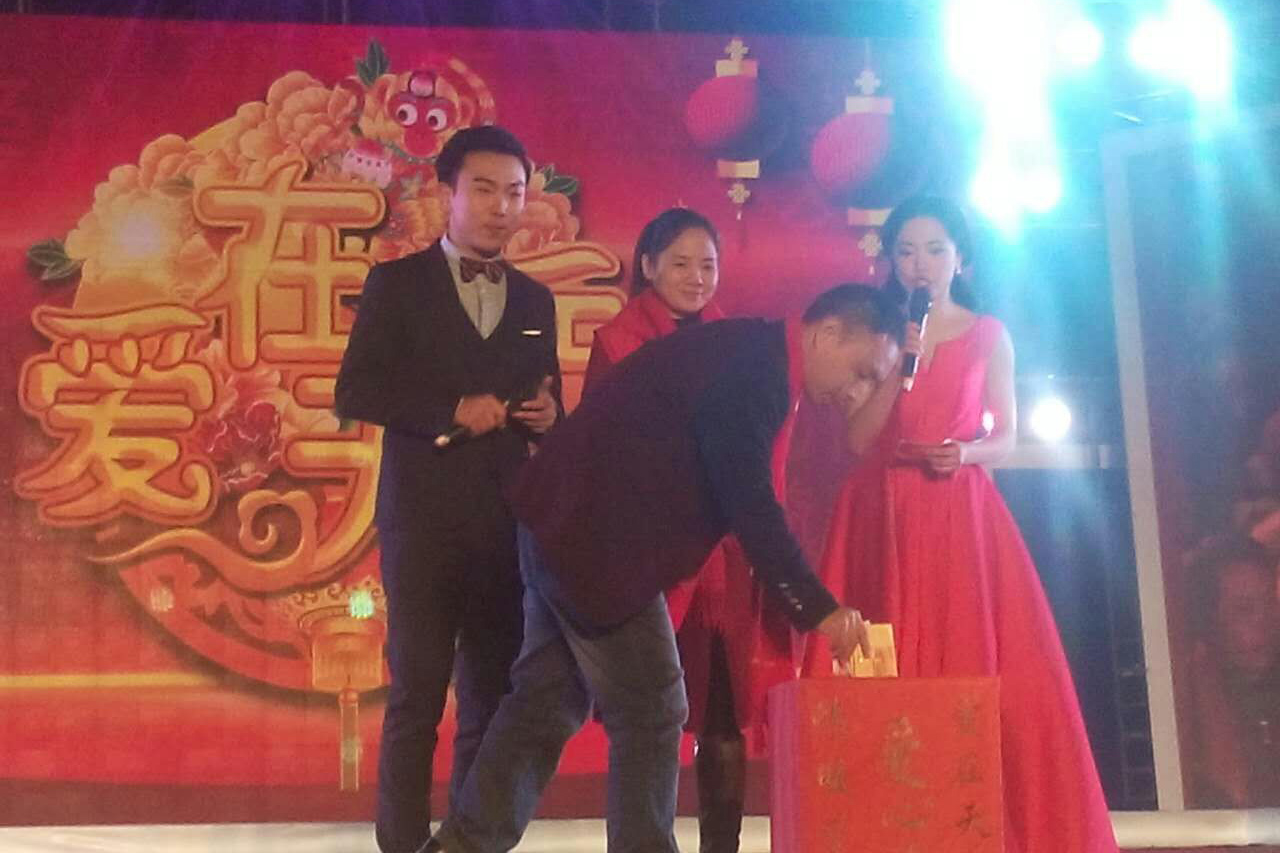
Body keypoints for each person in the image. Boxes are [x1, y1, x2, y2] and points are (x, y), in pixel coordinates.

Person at [424, 284, 904, 853]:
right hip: (598, 540)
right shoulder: (757, 373)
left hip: (567, 521)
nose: (859, 391)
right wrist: (819, 609)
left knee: (546, 702)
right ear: (828, 334)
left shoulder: (753, 353)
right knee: (653, 707)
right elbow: (751, 505)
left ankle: (460, 845)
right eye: (863, 372)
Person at [805, 195, 1118, 852]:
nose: (919, 264)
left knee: (972, 659)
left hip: (959, 512)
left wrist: (967, 453)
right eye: (906, 251)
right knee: (885, 670)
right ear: (891, 261)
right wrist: (899, 366)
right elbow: (858, 440)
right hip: (882, 512)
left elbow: (1006, 435)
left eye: (934, 249)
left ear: (959, 258)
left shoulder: (988, 334)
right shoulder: (880, 334)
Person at [335, 125, 562, 853]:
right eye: (485, 189)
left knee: (490, 704)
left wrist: (548, 414)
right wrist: (449, 409)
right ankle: (402, 843)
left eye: (514, 193)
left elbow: (549, 400)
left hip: (506, 528)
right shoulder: (397, 284)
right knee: (416, 699)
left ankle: (470, 841)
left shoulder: (535, 300)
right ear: (447, 194)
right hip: (423, 527)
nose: (501, 206)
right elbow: (355, 389)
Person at [583, 207, 793, 853]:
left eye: (708, 264)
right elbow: (604, 449)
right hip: (652, 557)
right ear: (648, 265)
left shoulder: (740, 343)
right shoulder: (618, 340)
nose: (697, 277)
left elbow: (761, 443)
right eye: (680, 263)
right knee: (646, 716)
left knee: (724, 716)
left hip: (723, 557)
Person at [1184, 535, 1280, 807]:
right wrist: (1204, 674)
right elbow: (1233, 793)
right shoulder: (1183, 703)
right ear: (1210, 620)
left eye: (1270, 604)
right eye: (1245, 610)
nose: (1268, 623)